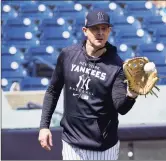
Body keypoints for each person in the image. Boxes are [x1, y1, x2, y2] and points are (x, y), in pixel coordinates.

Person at [38, 10, 138, 160]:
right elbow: (53, 90)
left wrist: (131, 95)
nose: (100, 33)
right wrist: (44, 126)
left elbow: (121, 108)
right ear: (85, 31)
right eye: (95, 28)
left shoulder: (117, 66)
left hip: (103, 148)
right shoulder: (68, 55)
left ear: (109, 31)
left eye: (104, 28)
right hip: (72, 143)